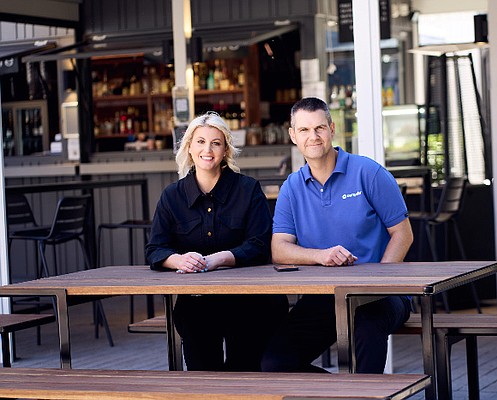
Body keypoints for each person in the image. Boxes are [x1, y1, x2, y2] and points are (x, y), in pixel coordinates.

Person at [261, 97, 414, 374]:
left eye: (319, 128)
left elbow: (403, 234)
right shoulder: (292, 187)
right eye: (304, 130)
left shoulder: (368, 172)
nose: (313, 136)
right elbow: (279, 249)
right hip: (324, 296)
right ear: (293, 135)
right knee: (275, 363)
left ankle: (365, 394)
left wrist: (378, 283)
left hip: (380, 296)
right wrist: (321, 256)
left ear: (332, 128)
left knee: (365, 330)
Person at [146, 112, 288, 371]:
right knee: (203, 380)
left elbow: (259, 244)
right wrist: (179, 259)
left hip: (249, 305)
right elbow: (155, 249)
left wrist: (219, 259)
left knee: (244, 378)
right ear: (189, 147)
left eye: (216, 143)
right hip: (197, 307)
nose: (207, 150)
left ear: (225, 150)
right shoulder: (172, 196)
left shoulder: (248, 189)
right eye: (200, 142)